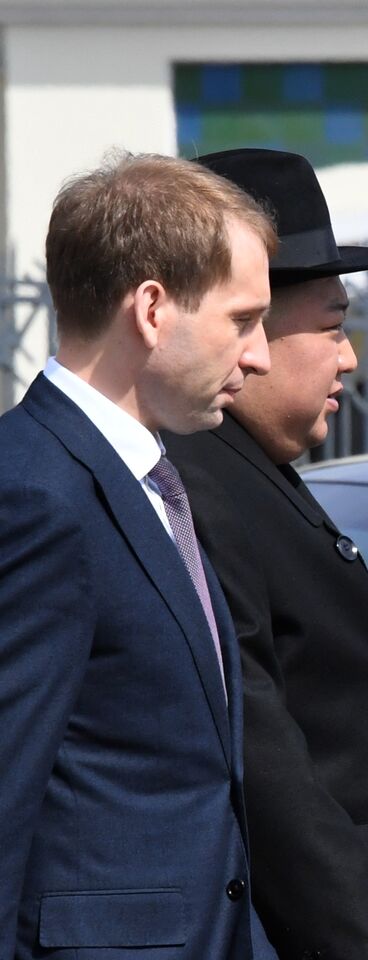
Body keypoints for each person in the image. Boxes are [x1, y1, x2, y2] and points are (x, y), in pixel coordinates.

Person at [162, 149, 368, 960]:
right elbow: (271, 774)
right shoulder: (195, 484)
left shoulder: (252, 468)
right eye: (333, 327)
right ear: (248, 322)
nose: (350, 359)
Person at [0, 153, 277, 959]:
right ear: (153, 308)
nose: (257, 355)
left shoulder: (150, 478)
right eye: (242, 319)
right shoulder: (35, 494)